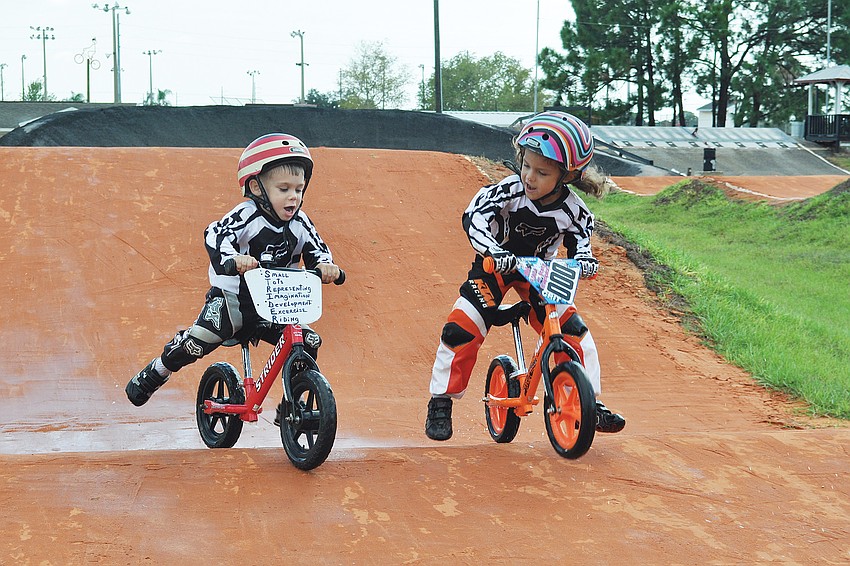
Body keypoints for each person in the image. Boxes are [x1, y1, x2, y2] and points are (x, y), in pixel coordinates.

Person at [425, 111, 626, 441]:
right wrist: (492, 250)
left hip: (540, 273)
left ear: (568, 176)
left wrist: (585, 263)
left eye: (542, 172)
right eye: (526, 165)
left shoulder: (575, 212)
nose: (529, 177)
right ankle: (441, 400)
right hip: (497, 268)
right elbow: (473, 217)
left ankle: (589, 402)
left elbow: (581, 246)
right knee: (462, 326)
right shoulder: (507, 192)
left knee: (575, 333)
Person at [126, 133, 341, 407]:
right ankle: (157, 371)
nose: (293, 197)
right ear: (256, 186)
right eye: (284, 189)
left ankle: (293, 404)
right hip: (233, 301)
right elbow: (215, 234)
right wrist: (232, 258)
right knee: (198, 342)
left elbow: (316, 246)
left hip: (276, 303)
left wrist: (326, 265)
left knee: (308, 341)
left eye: (299, 189)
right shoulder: (246, 215)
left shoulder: (300, 222)